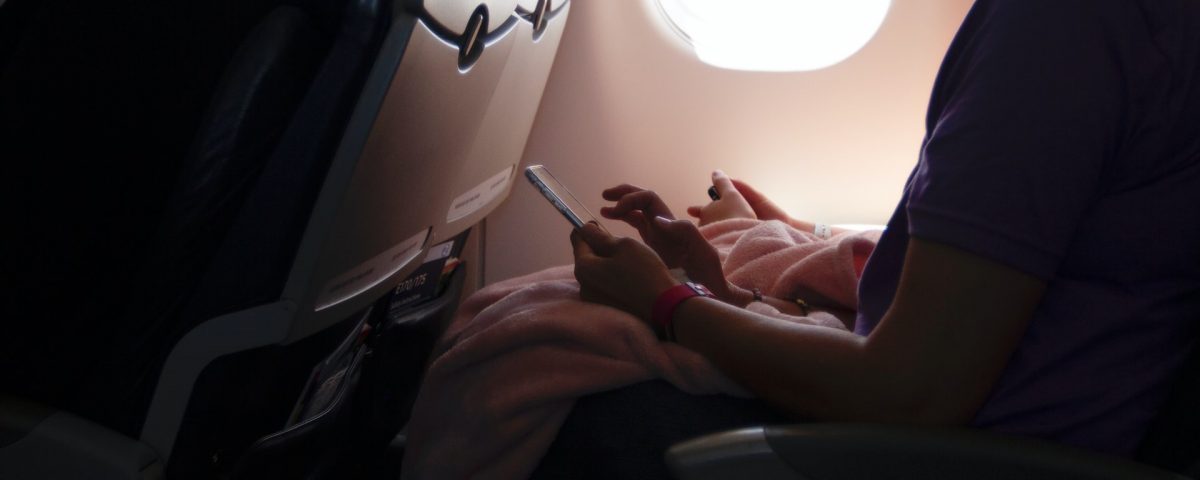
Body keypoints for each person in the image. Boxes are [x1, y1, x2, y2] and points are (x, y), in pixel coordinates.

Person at [536, 0, 1200, 477]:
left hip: (951, 455)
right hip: (966, 422)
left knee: (561, 391)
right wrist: (724, 287)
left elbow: (909, 394)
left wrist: (667, 304)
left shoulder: (1061, 29)